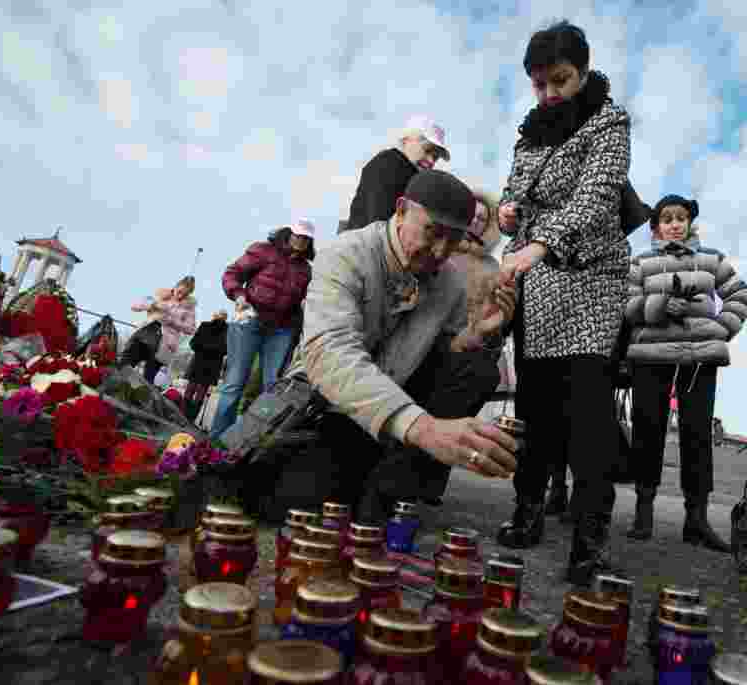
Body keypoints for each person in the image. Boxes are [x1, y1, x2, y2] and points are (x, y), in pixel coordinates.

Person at [245, 170, 518, 523]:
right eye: (432, 233)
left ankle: (390, 487)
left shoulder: (450, 281)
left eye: (453, 241)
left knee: (476, 369)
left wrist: (474, 336)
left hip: (397, 407)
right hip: (329, 403)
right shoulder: (346, 255)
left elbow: (441, 361)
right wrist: (425, 429)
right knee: (296, 504)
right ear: (401, 210)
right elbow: (331, 354)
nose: (439, 251)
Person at [495, 20, 631, 586]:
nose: (550, 93)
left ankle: (590, 539)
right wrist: (507, 210)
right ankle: (527, 513)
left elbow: (599, 194)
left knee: (588, 413)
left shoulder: (609, 121)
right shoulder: (530, 134)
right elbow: (514, 188)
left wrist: (543, 242)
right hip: (537, 282)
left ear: (582, 72)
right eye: (540, 84)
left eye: (560, 80)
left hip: (589, 278)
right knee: (536, 405)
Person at [622, 195, 747, 549]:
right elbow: (627, 306)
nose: (675, 224)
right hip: (650, 356)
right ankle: (643, 510)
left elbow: (739, 294)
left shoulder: (712, 260)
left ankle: (697, 520)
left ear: (689, 223)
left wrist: (721, 328)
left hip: (699, 358)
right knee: (648, 429)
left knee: (697, 435)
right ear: (656, 226)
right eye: (667, 219)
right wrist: (660, 305)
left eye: (681, 218)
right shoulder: (640, 263)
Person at [415, 190, 505, 507]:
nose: (477, 222)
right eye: (473, 215)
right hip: (432, 341)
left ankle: (432, 483)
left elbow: (498, 315)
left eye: (484, 218)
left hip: (474, 346)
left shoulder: (494, 266)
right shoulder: (442, 252)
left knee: (457, 411)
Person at [210, 220, 315, 439]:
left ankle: (251, 441)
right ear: (288, 234)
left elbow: (306, 303)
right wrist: (239, 295)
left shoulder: (306, 271)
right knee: (235, 383)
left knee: (273, 387)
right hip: (250, 321)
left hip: (281, 330)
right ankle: (216, 441)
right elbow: (233, 273)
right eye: (297, 235)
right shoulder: (264, 251)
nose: (301, 240)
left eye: (306, 238)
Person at [345, 115, 450, 232]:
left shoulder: (401, 169)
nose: (431, 161)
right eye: (427, 150)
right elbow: (380, 224)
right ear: (405, 141)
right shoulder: (390, 165)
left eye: (436, 157)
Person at [127, 276, 198, 384]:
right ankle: (117, 388)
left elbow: (191, 329)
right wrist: (151, 306)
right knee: (126, 364)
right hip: (146, 335)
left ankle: (137, 396)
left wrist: (171, 320)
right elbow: (134, 307)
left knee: (148, 377)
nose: (181, 295)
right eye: (180, 291)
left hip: (165, 343)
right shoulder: (161, 296)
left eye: (185, 294)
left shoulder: (189, 308)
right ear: (175, 287)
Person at [183, 310, 229, 421]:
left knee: (191, 387)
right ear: (225, 318)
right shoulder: (228, 330)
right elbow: (226, 350)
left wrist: (202, 348)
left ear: (214, 316)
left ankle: (181, 414)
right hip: (213, 364)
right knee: (201, 391)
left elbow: (193, 343)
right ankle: (191, 418)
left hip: (199, 360)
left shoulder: (204, 325)